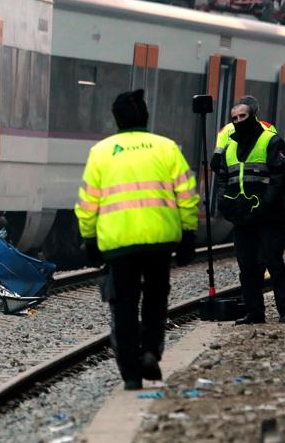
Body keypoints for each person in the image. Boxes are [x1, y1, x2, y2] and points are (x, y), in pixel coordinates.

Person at [76, 89, 199, 390]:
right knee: (156, 299)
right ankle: (150, 351)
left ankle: (131, 372)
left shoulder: (102, 152)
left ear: (116, 118)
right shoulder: (167, 148)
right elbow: (187, 195)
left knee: (125, 306)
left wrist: (89, 239)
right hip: (159, 241)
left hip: (119, 244)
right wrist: (188, 234)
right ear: (145, 115)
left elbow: (88, 203)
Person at [215, 101, 285, 324]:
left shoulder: (271, 140)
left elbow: (280, 177)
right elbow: (223, 176)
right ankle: (254, 312)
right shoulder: (230, 147)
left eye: (243, 116)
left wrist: (264, 204)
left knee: (273, 262)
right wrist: (225, 203)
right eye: (235, 118)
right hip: (242, 217)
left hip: (268, 217)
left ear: (253, 117)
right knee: (247, 266)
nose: (239, 121)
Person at [212, 95, 275, 170]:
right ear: (257, 111)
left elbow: (215, 163)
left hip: (233, 176)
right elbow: (275, 159)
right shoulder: (268, 127)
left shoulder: (224, 130)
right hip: (258, 176)